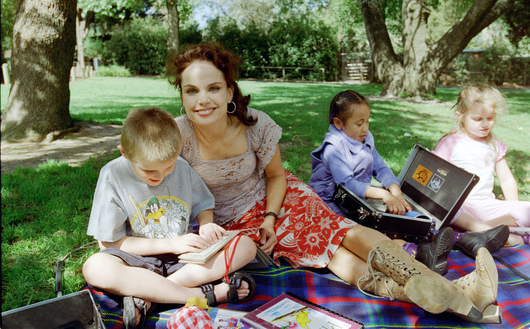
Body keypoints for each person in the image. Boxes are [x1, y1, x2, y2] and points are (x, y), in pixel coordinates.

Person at [166, 43, 501, 323]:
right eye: (191, 90)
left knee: (342, 232)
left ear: (229, 91)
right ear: (181, 95)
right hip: (235, 228)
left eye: (213, 88)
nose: (202, 100)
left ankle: (443, 288)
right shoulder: (177, 135)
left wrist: (270, 216)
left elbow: (276, 177)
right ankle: (440, 294)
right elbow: (151, 179)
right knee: (333, 256)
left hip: (277, 200)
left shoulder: (255, 126)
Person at [82, 107, 257, 329]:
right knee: (95, 267)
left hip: (184, 261)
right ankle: (201, 296)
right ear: (124, 152)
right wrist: (170, 243)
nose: (161, 176)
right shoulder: (112, 175)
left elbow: (202, 204)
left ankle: (149, 297)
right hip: (138, 261)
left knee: (246, 246)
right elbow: (109, 243)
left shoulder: (182, 168)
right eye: (149, 171)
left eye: (169, 167)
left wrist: (205, 224)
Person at [308, 90, 507, 268]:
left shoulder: (363, 138)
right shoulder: (333, 149)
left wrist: (395, 190)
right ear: (338, 124)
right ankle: (416, 253)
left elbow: (380, 167)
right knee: (370, 228)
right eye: (359, 123)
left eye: (368, 121)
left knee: (407, 210)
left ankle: (465, 239)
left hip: (359, 196)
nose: (365, 128)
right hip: (331, 202)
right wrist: (385, 195)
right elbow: (347, 184)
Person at [434, 85, 530, 245]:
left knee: (527, 209)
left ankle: (480, 233)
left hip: (485, 206)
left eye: (490, 118)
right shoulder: (451, 143)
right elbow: (434, 174)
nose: (485, 124)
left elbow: (506, 180)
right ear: (461, 116)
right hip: (460, 206)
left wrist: (513, 207)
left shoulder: (493, 144)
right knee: (448, 209)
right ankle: (496, 234)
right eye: (478, 119)